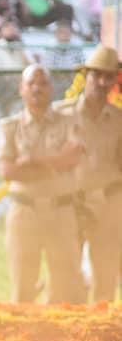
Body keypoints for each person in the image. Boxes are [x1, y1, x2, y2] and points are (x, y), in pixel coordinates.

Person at [0, 64, 86, 305]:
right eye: (31, 83)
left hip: (61, 212)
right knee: (23, 286)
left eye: (43, 83)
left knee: (65, 287)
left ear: (52, 88)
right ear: (21, 89)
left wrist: (31, 162)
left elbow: (73, 159)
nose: (37, 88)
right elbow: (7, 170)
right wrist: (55, 165)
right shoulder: (10, 127)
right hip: (24, 212)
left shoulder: (69, 122)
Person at [56, 46, 122, 303]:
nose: (102, 82)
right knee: (65, 273)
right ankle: (65, 336)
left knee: (105, 275)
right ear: (86, 77)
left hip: (109, 203)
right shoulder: (61, 114)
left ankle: (102, 335)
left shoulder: (119, 120)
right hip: (72, 202)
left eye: (109, 76)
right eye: (97, 76)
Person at [0, 20, 33, 116]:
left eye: (14, 28)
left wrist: (21, 49)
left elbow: (32, 68)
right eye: (7, 28)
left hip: (19, 86)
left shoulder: (21, 46)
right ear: (1, 32)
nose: (11, 30)